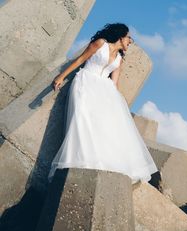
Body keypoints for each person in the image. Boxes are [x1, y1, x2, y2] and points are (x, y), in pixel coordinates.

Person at [49, 23, 158, 183]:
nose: (130, 42)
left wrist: (117, 105)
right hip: (85, 82)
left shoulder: (119, 59)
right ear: (121, 36)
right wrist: (61, 76)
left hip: (105, 91)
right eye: (129, 38)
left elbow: (115, 83)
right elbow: (81, 59)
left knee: (102, 126)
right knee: (81, 120)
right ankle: (80, 162)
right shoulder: (100, 43)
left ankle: (98, 163)